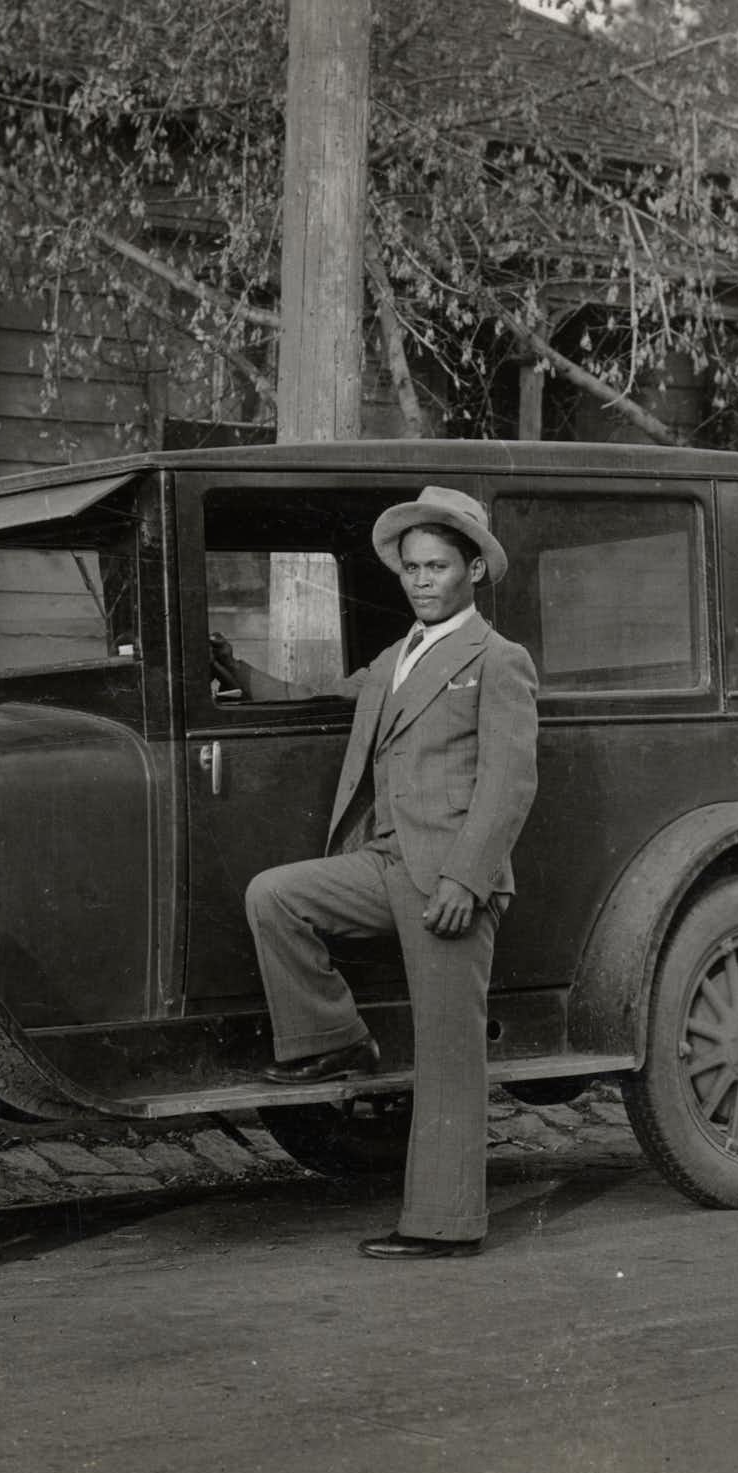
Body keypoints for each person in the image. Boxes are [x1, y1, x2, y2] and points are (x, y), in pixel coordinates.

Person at [242, 486, 539, 1260]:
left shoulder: (499, 660)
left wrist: (466, 881)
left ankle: (445, 1225)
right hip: (383, 862)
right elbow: (320, 697)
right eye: (410, 567)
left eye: (437, 566)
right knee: (275, 895)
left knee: (447, 1052)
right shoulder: (396, 658)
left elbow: (509, 785)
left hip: (449, 881)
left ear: (473, 568)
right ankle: (335, 1040)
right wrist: (239, 672)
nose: (420, 580)